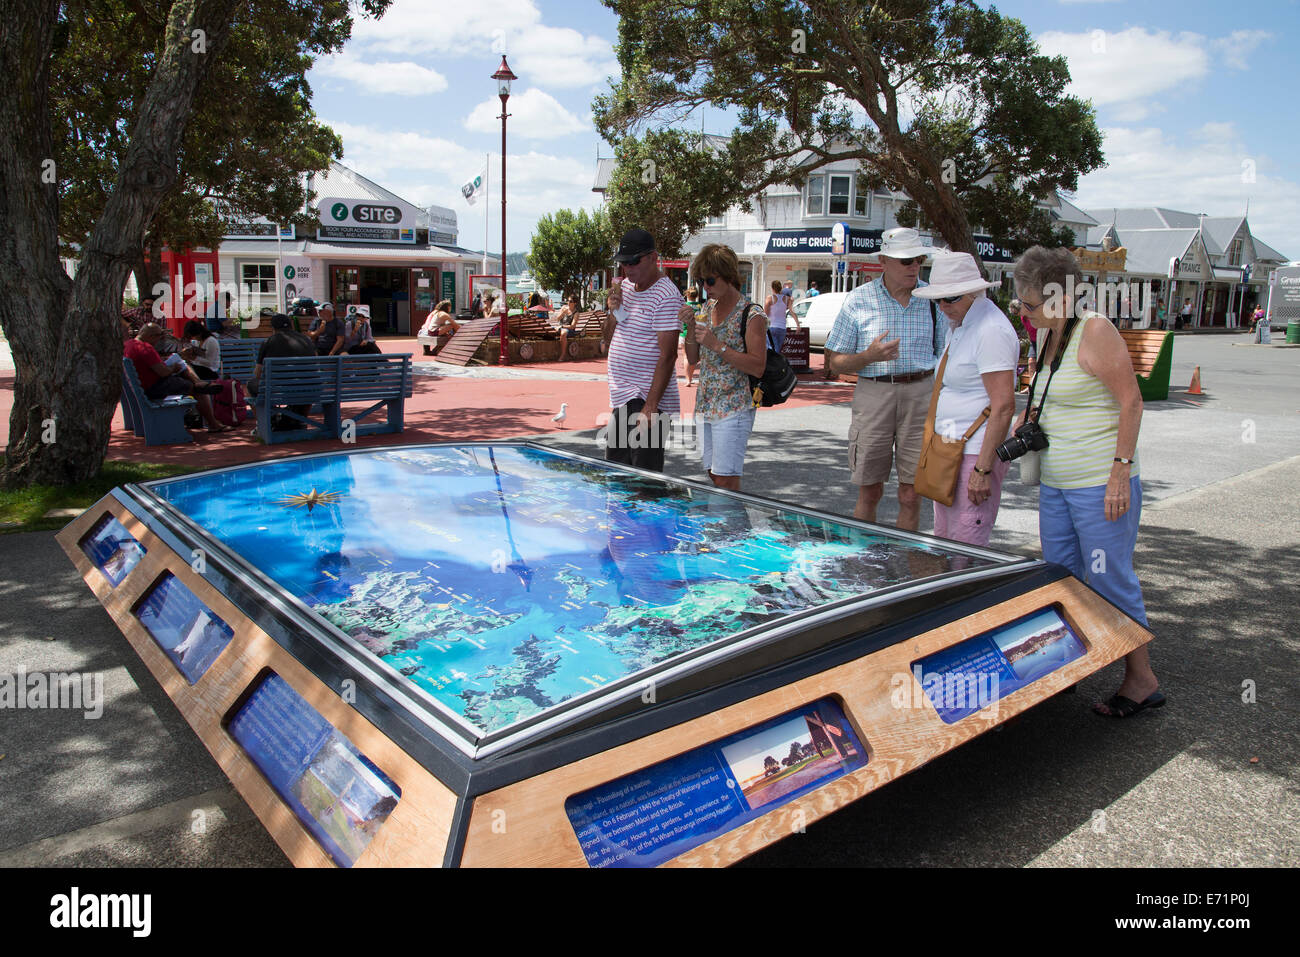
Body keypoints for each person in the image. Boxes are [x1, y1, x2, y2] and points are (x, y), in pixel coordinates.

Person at [1014, 246, 1161, 719]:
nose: (1023, 311)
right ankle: (1069, 669)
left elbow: (1131, 403)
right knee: (1062, 576)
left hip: (1099, 482)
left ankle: (1142, 679)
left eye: (1030, 304)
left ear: (1061, 297)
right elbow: (1056, 394)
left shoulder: (1095, 330)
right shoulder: (1049, 336)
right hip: (1058, 482)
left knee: (1108, 578)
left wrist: (1121, 470)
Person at [824, 227, 943, 529]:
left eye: (918, 260)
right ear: (883, 261)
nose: (914, 267)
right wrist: (868, 357)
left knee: (911, 494)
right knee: (870, 489)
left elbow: (946, 356)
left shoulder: (933, 299)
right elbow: (834, 362)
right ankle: (863, 563)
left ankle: (904, 567)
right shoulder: (859, 299)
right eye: (906, 261)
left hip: (921, 394)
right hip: (874, 393)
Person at [912, 253, 1018, 546]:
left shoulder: (990, 330)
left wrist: (983, 469)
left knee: (965, 545)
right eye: (938, 300)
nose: (944, 306)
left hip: (973, 451)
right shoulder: (961, 323)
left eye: (951, 298)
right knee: (946, 541)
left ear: (975, 292)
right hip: (950, 447)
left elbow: (1004, 406)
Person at [682, 245, 768, 489]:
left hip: (734, 406)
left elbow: (757, 366)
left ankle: (729, 527)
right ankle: (729, 524)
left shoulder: (752, 315)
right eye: (700, 282)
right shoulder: (708, 308)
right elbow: (692, 357)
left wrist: (716, 344)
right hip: (707, 402)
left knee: (726, 479)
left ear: (728, 276)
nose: (705, 288)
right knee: (713, 473)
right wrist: (689, 329)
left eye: (709, 280)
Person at [602, 227, 682, 472]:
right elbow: (607, 339)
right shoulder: (625, 288)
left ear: (652, 257)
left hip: (646, 398)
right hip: (624, 396)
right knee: (617, 473)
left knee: (644, 480)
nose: (628, 268)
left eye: (633, 261)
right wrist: (614, 311)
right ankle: (619, 512)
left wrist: (650, 407)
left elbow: (668, 356)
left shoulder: (666, 295)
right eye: (624, 263)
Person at [123, 323, 227, 432]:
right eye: (160, 336)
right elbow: (163, 372)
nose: (160, 340)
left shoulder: (128, 344)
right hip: (154, 388)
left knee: (182, 365)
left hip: (142, 387)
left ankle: (198, 382)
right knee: (197, 390)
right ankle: (213, 424)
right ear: (151, 336)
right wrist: (174, 368)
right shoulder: (146, 348)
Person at [680, 286, 705, 387]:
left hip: (684, 334)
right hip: (696, 334)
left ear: (687, 295)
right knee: (694, 358)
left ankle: (688, 380)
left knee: (685, 356)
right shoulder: (701, 306)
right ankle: (690, 377)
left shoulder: (684, 306)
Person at [764, 279, 792, 354]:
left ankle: (773, 364)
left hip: (772, 326)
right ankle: (777, 364)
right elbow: (792, 311)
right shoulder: (787, 299)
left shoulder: (770, 298)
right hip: (782, 327)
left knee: (772, 349)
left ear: (772, 288)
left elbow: (765, 313)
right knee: (778, 349)